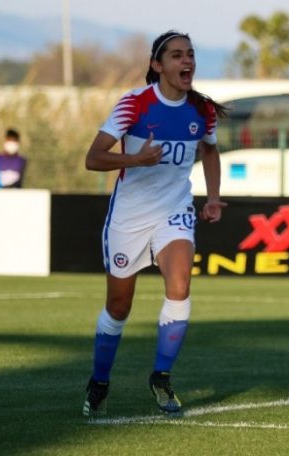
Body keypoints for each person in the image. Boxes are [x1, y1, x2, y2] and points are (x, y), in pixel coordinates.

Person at [81, 30, 228, 417]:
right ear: (157, 65)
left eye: (190, 54)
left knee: (179, 287)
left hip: (175, 211)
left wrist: (213, 197)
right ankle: (99, 381)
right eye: (177, 55)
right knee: (119, 306)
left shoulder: (202, 109)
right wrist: (134, 159)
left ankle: (161, 377)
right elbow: (93, 158)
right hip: (129, 217)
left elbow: (210, 150)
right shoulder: (134, 104)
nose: (187, 61)